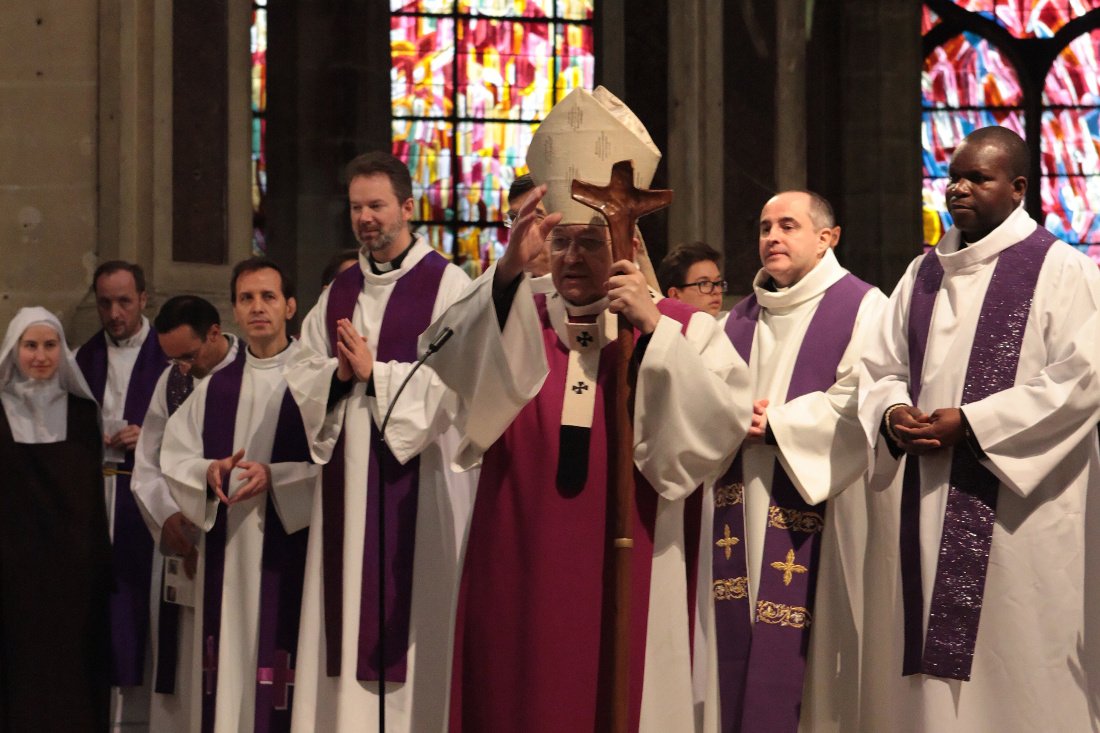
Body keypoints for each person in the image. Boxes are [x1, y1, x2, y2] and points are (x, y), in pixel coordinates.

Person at [420, 85, 750, 732]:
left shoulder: (680, 326)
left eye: (591, 242)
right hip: (517, 577)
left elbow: (717, 429)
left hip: (638, 570)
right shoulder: (516, 317)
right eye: (561, 242)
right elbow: (451, 372)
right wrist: (508, 272)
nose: (571, 258)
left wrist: (654, 333)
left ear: (626, 247)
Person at [858, 125, 1100, 731]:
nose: (957, 188)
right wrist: (892, 414)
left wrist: (972, 423)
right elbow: (878, 368)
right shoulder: (921, 275)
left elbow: (1082, 381)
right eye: (953, 176)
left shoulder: (1063, 271)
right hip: (924, 504)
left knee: (1017, 654)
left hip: (1023, 512)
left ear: (1017, 188)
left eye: (977, 178)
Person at [283, 151, 475, 732]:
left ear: (408, 208)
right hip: (348, 473)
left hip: (420, 476)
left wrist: (376, 373)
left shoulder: (449, 285)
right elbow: (304, 367)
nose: (366, 218)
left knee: (416, 612)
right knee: (346, 609)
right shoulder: (340, 289)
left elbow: (456, 382)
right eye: (356, 208)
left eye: (377, 205)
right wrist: (339, 377)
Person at [695, 190, 886, 732]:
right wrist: (729, 415)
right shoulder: (739, 317)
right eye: (763, 228)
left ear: (828, 238)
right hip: (741, 501)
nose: (771, 238)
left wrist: (776, 425)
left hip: (823, 501)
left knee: (821, 659)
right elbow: (709, 393)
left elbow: (863, 399)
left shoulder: (863, 305)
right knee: (740, 636)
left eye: (787, 226)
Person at [159, 259, 318, 732]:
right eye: (247, 298)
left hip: (293, 548)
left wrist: (280, 477)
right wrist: (208, 470)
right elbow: (174, 455)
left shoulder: (316, 378)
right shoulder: (216, 389)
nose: (257, 307)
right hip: (228, 555)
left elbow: (339, 464)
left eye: (268, 296)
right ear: (234, 310)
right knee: (229, 671)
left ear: (290, 306)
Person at [0, 307, 112, 730]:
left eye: (50, 346)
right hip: (11, 567)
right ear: (14, 350)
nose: (41, 356)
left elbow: (89, 499)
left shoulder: (83, 412)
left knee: (70, 665)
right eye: (31, 346)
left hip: (70, 571)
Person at [131, 295, 239, 733]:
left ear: (214, 333)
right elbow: (148, 460)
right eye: (172, 358)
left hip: (237, 537)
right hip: (184, 540)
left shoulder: (251, 372)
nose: (181, 368)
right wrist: (169, 515)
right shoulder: (172, 380)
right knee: (186, 663)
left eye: (188, 356)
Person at [74, 260, 167, 729]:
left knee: (141, 605)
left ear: (144, 298)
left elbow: (195, 435)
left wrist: (149, 437)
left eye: (124, 301)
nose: (114, 313)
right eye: (105, 302)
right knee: (99, 605)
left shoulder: (170, 357)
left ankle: (140, 719)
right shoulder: (79, 360)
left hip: (145, 498)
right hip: (99, 496)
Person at [657, 240, 726, 316]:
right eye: (704, 283)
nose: (716, 291)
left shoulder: (728, 324)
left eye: (718, 282)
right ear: (675, 295)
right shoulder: (662, 327)